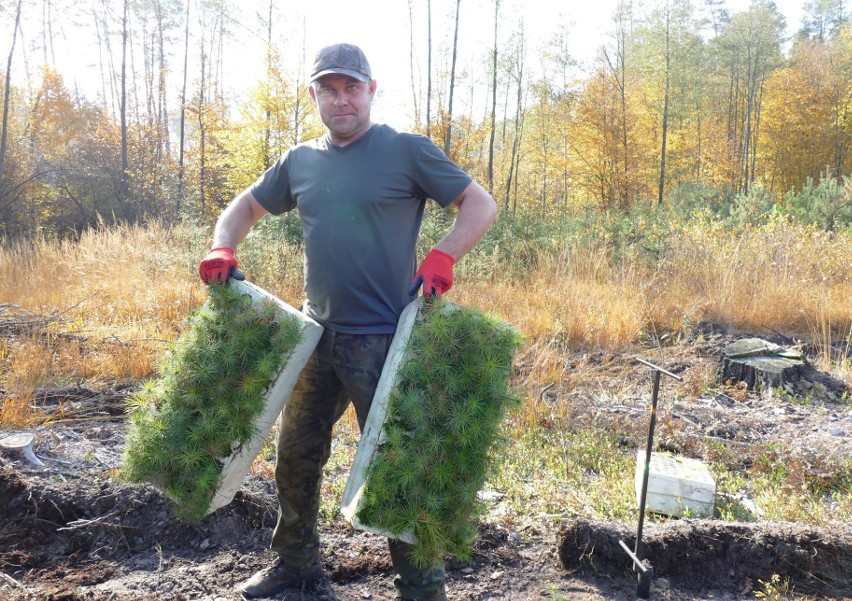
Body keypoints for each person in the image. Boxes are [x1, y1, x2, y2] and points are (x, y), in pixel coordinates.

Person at [199, 42, 497, 601]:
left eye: (351, 88)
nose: (341, 100)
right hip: (315, 339)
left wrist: (444, 255)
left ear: (371, 91)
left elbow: (480, 204)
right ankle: (296, 566)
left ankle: (421, 589)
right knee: (296, 459)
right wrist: (223, 246)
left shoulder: (406, 151)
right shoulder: (300, 161)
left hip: (385, 341)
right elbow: (244, 207)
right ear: (314, 95)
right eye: (328, 90)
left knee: (399, 469)